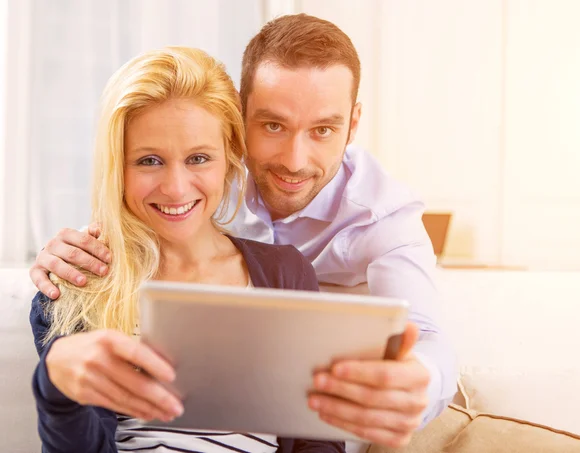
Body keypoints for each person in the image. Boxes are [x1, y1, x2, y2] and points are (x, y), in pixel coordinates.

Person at [29, 14, 457, 449]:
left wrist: (410, 388)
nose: (294, 160)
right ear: (242, 115)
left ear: (353, 123)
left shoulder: (380, 221)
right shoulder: (85, 276)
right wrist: (72, 258)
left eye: (323, 129)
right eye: (273, 125)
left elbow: (427, 339)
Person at [30, 46, 347, 453]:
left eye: (198, 158)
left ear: (231, 159)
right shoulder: (76, 286)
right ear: (117, 168)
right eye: (148, 161)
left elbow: (317, 441)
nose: (177, 188)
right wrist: (54, 386)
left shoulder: (286, 274)